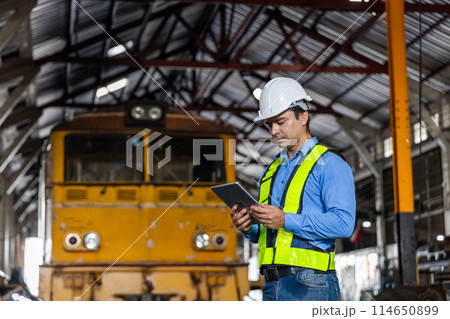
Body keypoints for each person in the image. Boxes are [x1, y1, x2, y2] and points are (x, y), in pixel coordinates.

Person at [230, 77, 356, 301]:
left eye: (281, 121)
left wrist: (285, 220)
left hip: (311, 284)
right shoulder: (270, 172)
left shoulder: (330, 163)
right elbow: (270, 233)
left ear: (303, 116)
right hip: (270, 284)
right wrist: (249, 227)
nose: (274, 131)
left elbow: (344, 224)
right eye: (269, 124)